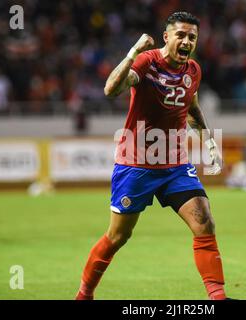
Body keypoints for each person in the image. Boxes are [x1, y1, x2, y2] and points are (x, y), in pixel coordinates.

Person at [75, 12, 230, 300]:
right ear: (167, 37)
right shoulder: (147, 63)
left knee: (204, 222)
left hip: (175, 165)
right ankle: (84, 294)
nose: (186, 41)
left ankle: (217, 297)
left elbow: (191, 105)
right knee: (118, 236)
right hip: (136, 165)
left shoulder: (193, 71)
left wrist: (208, 141)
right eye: (181, 35)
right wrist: (133, 52)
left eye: (192, 37)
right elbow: (111, 89)